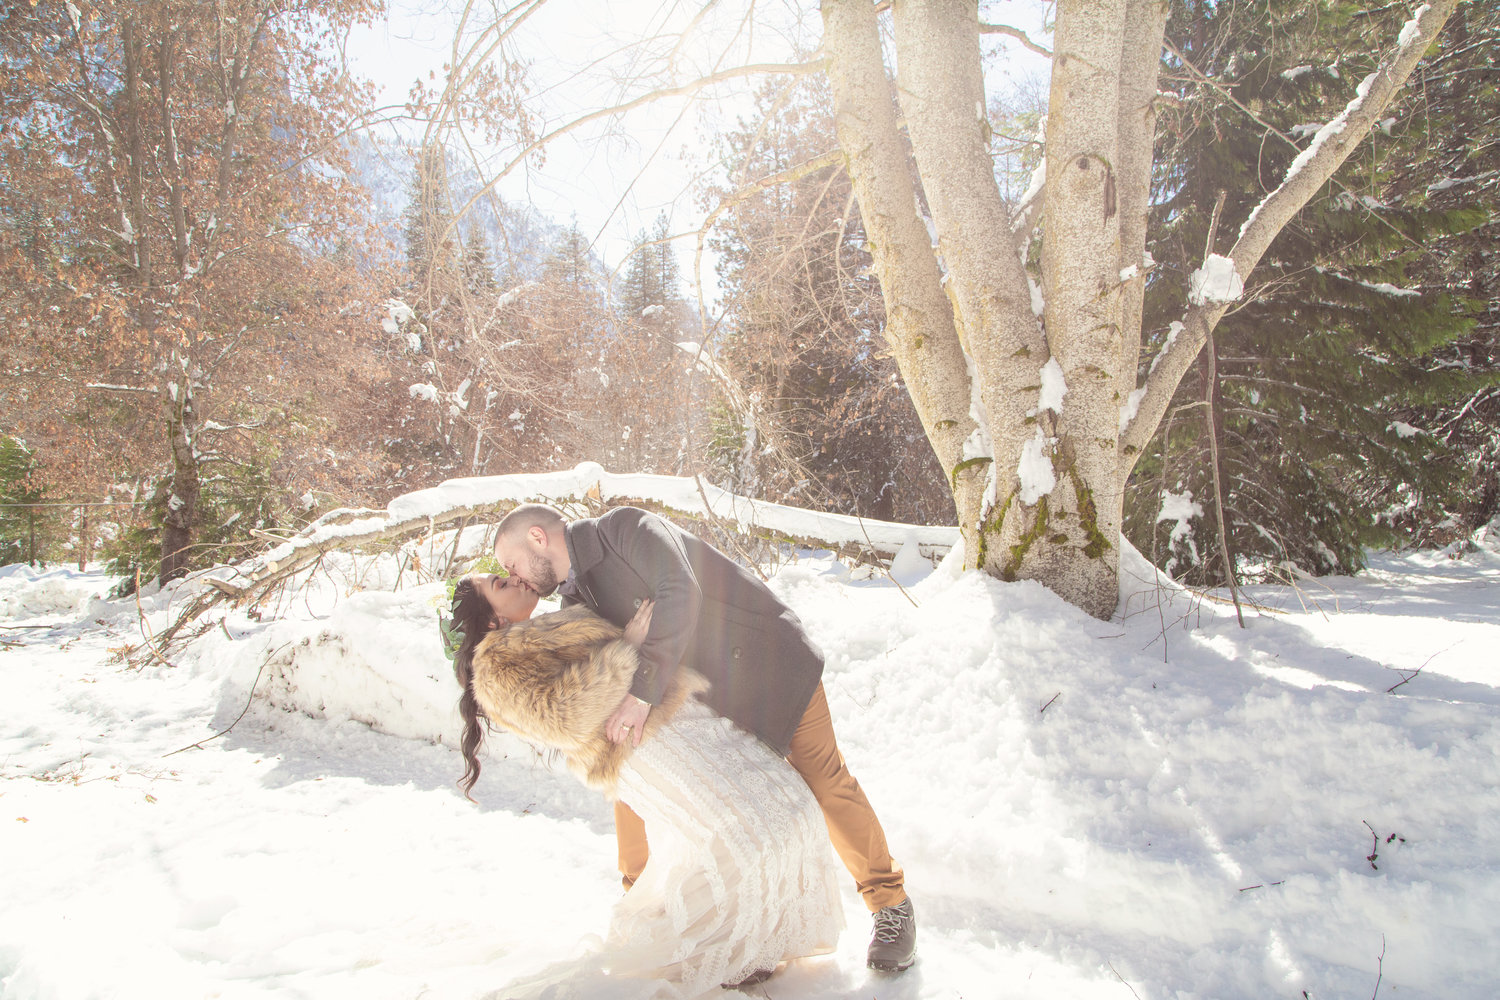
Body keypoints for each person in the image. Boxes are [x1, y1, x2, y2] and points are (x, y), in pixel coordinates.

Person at [492, 503, 918, 975]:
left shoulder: (623, 528)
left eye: (511, 565)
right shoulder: (575, 603)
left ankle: (891, 907)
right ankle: (653, 903)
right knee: (634, 777)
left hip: (769, 665)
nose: (516, 578)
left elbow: (680, 588)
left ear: (536, 537)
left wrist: (641, 690)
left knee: (825, 780)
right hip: (713, 703)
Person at [445, 573, 843, 997]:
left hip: (671, 718)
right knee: (747, 830)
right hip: (635, 747)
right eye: (499, 585)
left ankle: (756, 941)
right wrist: (626, 649)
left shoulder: (537, 628)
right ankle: (713, 953)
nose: (514, 580)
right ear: (492, 622)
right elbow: (567, 715)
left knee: (789, 805)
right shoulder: (493, 671)